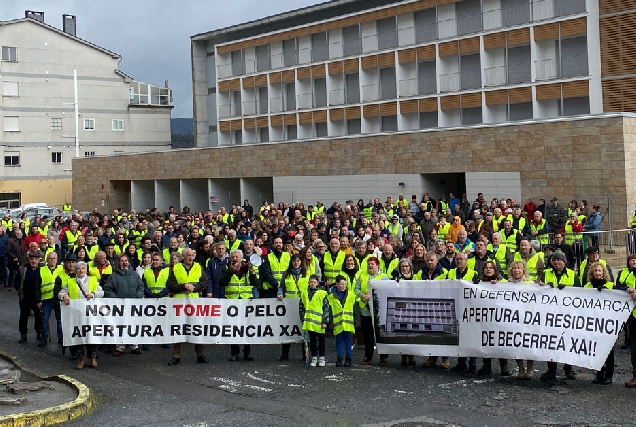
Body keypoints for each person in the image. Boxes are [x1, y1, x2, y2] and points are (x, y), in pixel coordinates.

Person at [538, 250, 579, 382]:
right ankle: (551, 370)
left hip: (568, 315)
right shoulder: (545, 273)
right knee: (551, 342)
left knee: (567, 342)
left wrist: (567, 289)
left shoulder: (573, 275)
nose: (556, 262)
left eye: (559, 260)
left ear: (564, 262)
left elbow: (581, 293)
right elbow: (538, 289)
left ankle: (569, 368)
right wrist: (544, 286)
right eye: (554, 260)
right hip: (550, 314)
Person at [167, 248, 209, 366]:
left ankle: (200, 354)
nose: (191, 258)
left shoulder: (199, 267)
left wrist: (194, 287)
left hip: (194, 302)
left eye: (193, 255)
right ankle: (176, 356)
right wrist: (184, 286)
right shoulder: (176, 268)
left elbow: (205, 283)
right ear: (183, 256)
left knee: (197, 328)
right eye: (189, 255)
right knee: (178, 329)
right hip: (179, 304)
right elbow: (170, 285)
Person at [59, 261, 103, 369]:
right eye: (78, 269)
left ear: (86, 270)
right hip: (76, 315)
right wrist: (64, 296)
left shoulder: (93, 280)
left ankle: (92, 358)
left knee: (91, 336)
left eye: (83, 268)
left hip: (90, 315)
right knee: (79, 336)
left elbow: (101, 292)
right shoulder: (70, 282)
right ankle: (81, 359)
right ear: (75, 271)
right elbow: (60, 293)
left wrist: (93, 294)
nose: (81, 270)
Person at [220, 249, 259, 361]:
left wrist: (252, 273)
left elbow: (256, 283)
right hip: (231, 302)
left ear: (241, 258)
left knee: (247, 327)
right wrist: (230, 272)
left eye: (237, 257)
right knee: (234, 328)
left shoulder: (247, 268)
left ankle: (247, 351)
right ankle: (234, 352)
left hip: (246, 301)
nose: (235, 259)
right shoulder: (226, 268)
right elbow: (222, 282)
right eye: (233, 257)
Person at [103, 254, 144, 356]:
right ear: (118, 263)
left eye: (126, 261)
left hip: (133, 305)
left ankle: (134, 346)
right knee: (120, 325)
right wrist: (115, 299)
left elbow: (141, 286)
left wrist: (139, 295)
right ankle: (119, 347)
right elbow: (107, 289)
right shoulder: (113, 276)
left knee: (133, 325)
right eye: (122, 261)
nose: (124, 263)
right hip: (119, 306)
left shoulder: (135, 275)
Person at [476, 261, 509, 376]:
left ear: (495, 270)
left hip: (500, 318)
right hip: (485, 318)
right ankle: (486, 365)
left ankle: (504, 365)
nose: (488, 270)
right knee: (486, 341)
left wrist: (498, 284)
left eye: (491, 268)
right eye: (486, 268)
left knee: (500, 341)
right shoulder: (479, 282)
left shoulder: (503, 282)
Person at [355, 257, 390, 365]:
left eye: (372, 264)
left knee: (380, 334)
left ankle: (383, 357)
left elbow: (387, 291)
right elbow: (356, 289)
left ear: (378, 265)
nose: (370, 265)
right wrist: (362, 295)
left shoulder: (384, 277)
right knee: (368, 334)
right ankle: (368, 356)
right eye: (368, 264)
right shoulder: (362, 275)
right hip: (365, 309)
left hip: (378, 309)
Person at [584, 262, 614, 385]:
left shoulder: (611, 286)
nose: (597, 273)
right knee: (596, 349)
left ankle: (609, 375)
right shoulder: (587, 286)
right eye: (595, 271)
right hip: (593, 323)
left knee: (608, 349)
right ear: (592, 272)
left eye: (599, 271)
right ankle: (599, 373)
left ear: (603, 273)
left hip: (607, 323)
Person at [506, 260, 536, 379]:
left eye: (519, 268)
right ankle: (521, 368)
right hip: (513, 319)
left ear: (523, 271)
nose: (516, 270)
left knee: (528, 344)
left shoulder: (529, 283)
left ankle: (529, 368)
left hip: (527, 319)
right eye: (514, 268)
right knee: (516, 344)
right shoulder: (505, 284)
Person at [277, 254, 308, 361]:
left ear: (301, 262)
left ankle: (305, 353)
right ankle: (285, 353)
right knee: (288, 329)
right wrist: (280, 293)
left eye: (298, 261)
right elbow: (281, 287)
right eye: (294, 261)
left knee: (303, 329)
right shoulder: (286, 274)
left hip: (302, 305)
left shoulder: (306, 274)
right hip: (289, 306)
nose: (296, 263)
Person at [300, 274, 330, 367]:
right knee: (312, 340)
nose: (312, 283)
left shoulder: (322, 293)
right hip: (309, 322)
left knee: (321, 340)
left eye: (314, 282)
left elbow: (326, 308)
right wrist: (302, 319)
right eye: (311, 282)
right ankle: (314, 356)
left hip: (319, 322)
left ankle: (322, 356)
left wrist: (325, 321)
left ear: (317, 283)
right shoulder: (304, 293)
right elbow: (301, 307)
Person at [616, 255, 636, 388]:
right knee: (634, 350)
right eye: (632, 260)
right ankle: (635, 376)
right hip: (634, 317)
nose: (634, 262)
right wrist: (626, 289)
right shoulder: (628, 274)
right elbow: (618, 286)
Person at [393, 258, 417, 366]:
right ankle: (403, 356)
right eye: (403, 266)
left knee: (412, 332)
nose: (405, 268)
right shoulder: (396, 278)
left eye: (407, 266)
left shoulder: (416, 277)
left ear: (410, 267)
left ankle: (412, 356)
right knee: (402, 331)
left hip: (413, 307)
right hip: (401, 307)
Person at [38, 252, 63, 347]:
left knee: (60, 320)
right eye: (50, 258)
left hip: (58, 299)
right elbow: (37, 286)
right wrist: (38, 300)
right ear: (47, 260)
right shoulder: (41, 270)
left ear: (57, 260)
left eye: (54, 258)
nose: (52, 260)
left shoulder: (61, 269)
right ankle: (44, 338)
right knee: (44, 319)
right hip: (46, 299)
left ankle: (61, 338)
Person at [17, 251, 43, 343]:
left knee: (38, 316)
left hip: (37, 298)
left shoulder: (42, 270)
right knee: (24, 316)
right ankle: (23, 334)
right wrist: (19, 292)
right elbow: (17, 282)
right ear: (28, 259)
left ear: (39, 260)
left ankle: (39, 332)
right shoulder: (22, 269)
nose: (34, 261)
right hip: (25, 297)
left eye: (36, 259)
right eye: (32, 259)